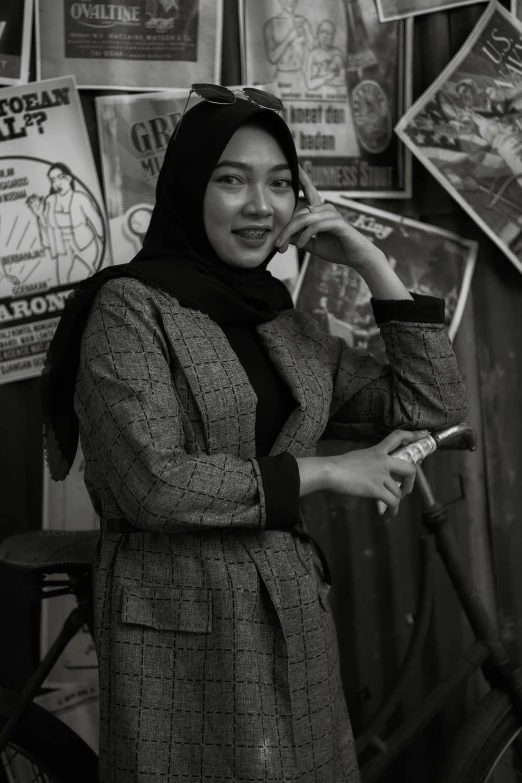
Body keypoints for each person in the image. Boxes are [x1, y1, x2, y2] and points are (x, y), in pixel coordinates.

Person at [41, 94, 468, 782]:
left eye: (279, 182)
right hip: (179, 625)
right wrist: (324, 473)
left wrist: (370, 263)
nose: (260, 205)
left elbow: (429, 405)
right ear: (188, 186)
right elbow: (153, 482)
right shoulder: (128, 307)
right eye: (231, 179)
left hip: (290, 614)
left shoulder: (282, 320)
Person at [26, 163, 104, 286]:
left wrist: (104, 237)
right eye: (53, 180)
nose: (57, 183)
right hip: (62, 247)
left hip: (85, 244)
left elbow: (97, 221)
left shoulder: (81, 197)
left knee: (97, 273)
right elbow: (48, 227)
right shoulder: (50, 201)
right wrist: (40, 215)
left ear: (69, 178)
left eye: (60, 177)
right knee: (62, 281)